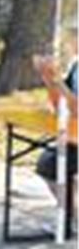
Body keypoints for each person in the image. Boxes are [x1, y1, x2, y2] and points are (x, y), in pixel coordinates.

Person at [33, 23, 78, 229]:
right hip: (73, 135)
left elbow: (76, 108)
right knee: (49, 163)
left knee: (53, 166)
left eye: (75, 36)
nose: (71, 41)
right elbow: (60, 104)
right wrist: (47, 77)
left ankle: (70, 218)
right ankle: (71, 216)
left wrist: (56, 80)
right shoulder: (76, 66)